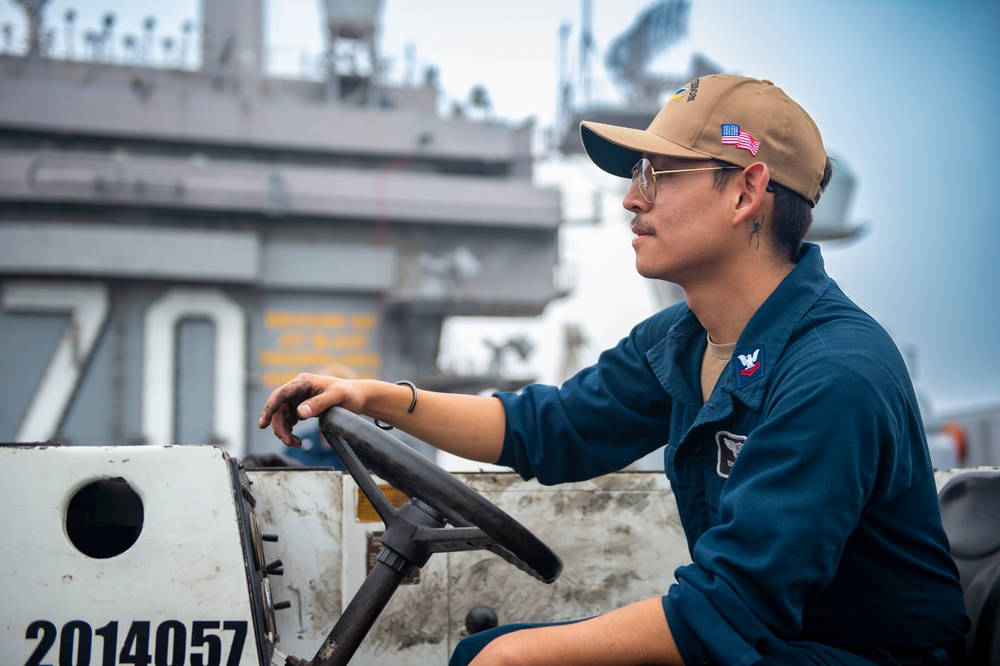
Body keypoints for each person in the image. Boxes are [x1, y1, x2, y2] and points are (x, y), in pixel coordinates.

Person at [259, 74, 969, 665]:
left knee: (497, 658)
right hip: (771, 644)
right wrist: (372, 395)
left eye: (657, 174)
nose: (633, 198)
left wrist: (510, 659)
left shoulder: (832, 373)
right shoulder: (686, 341)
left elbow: (729, 608)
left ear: (746, 192)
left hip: (854, 657)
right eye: (638, 176)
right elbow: (549, 429)